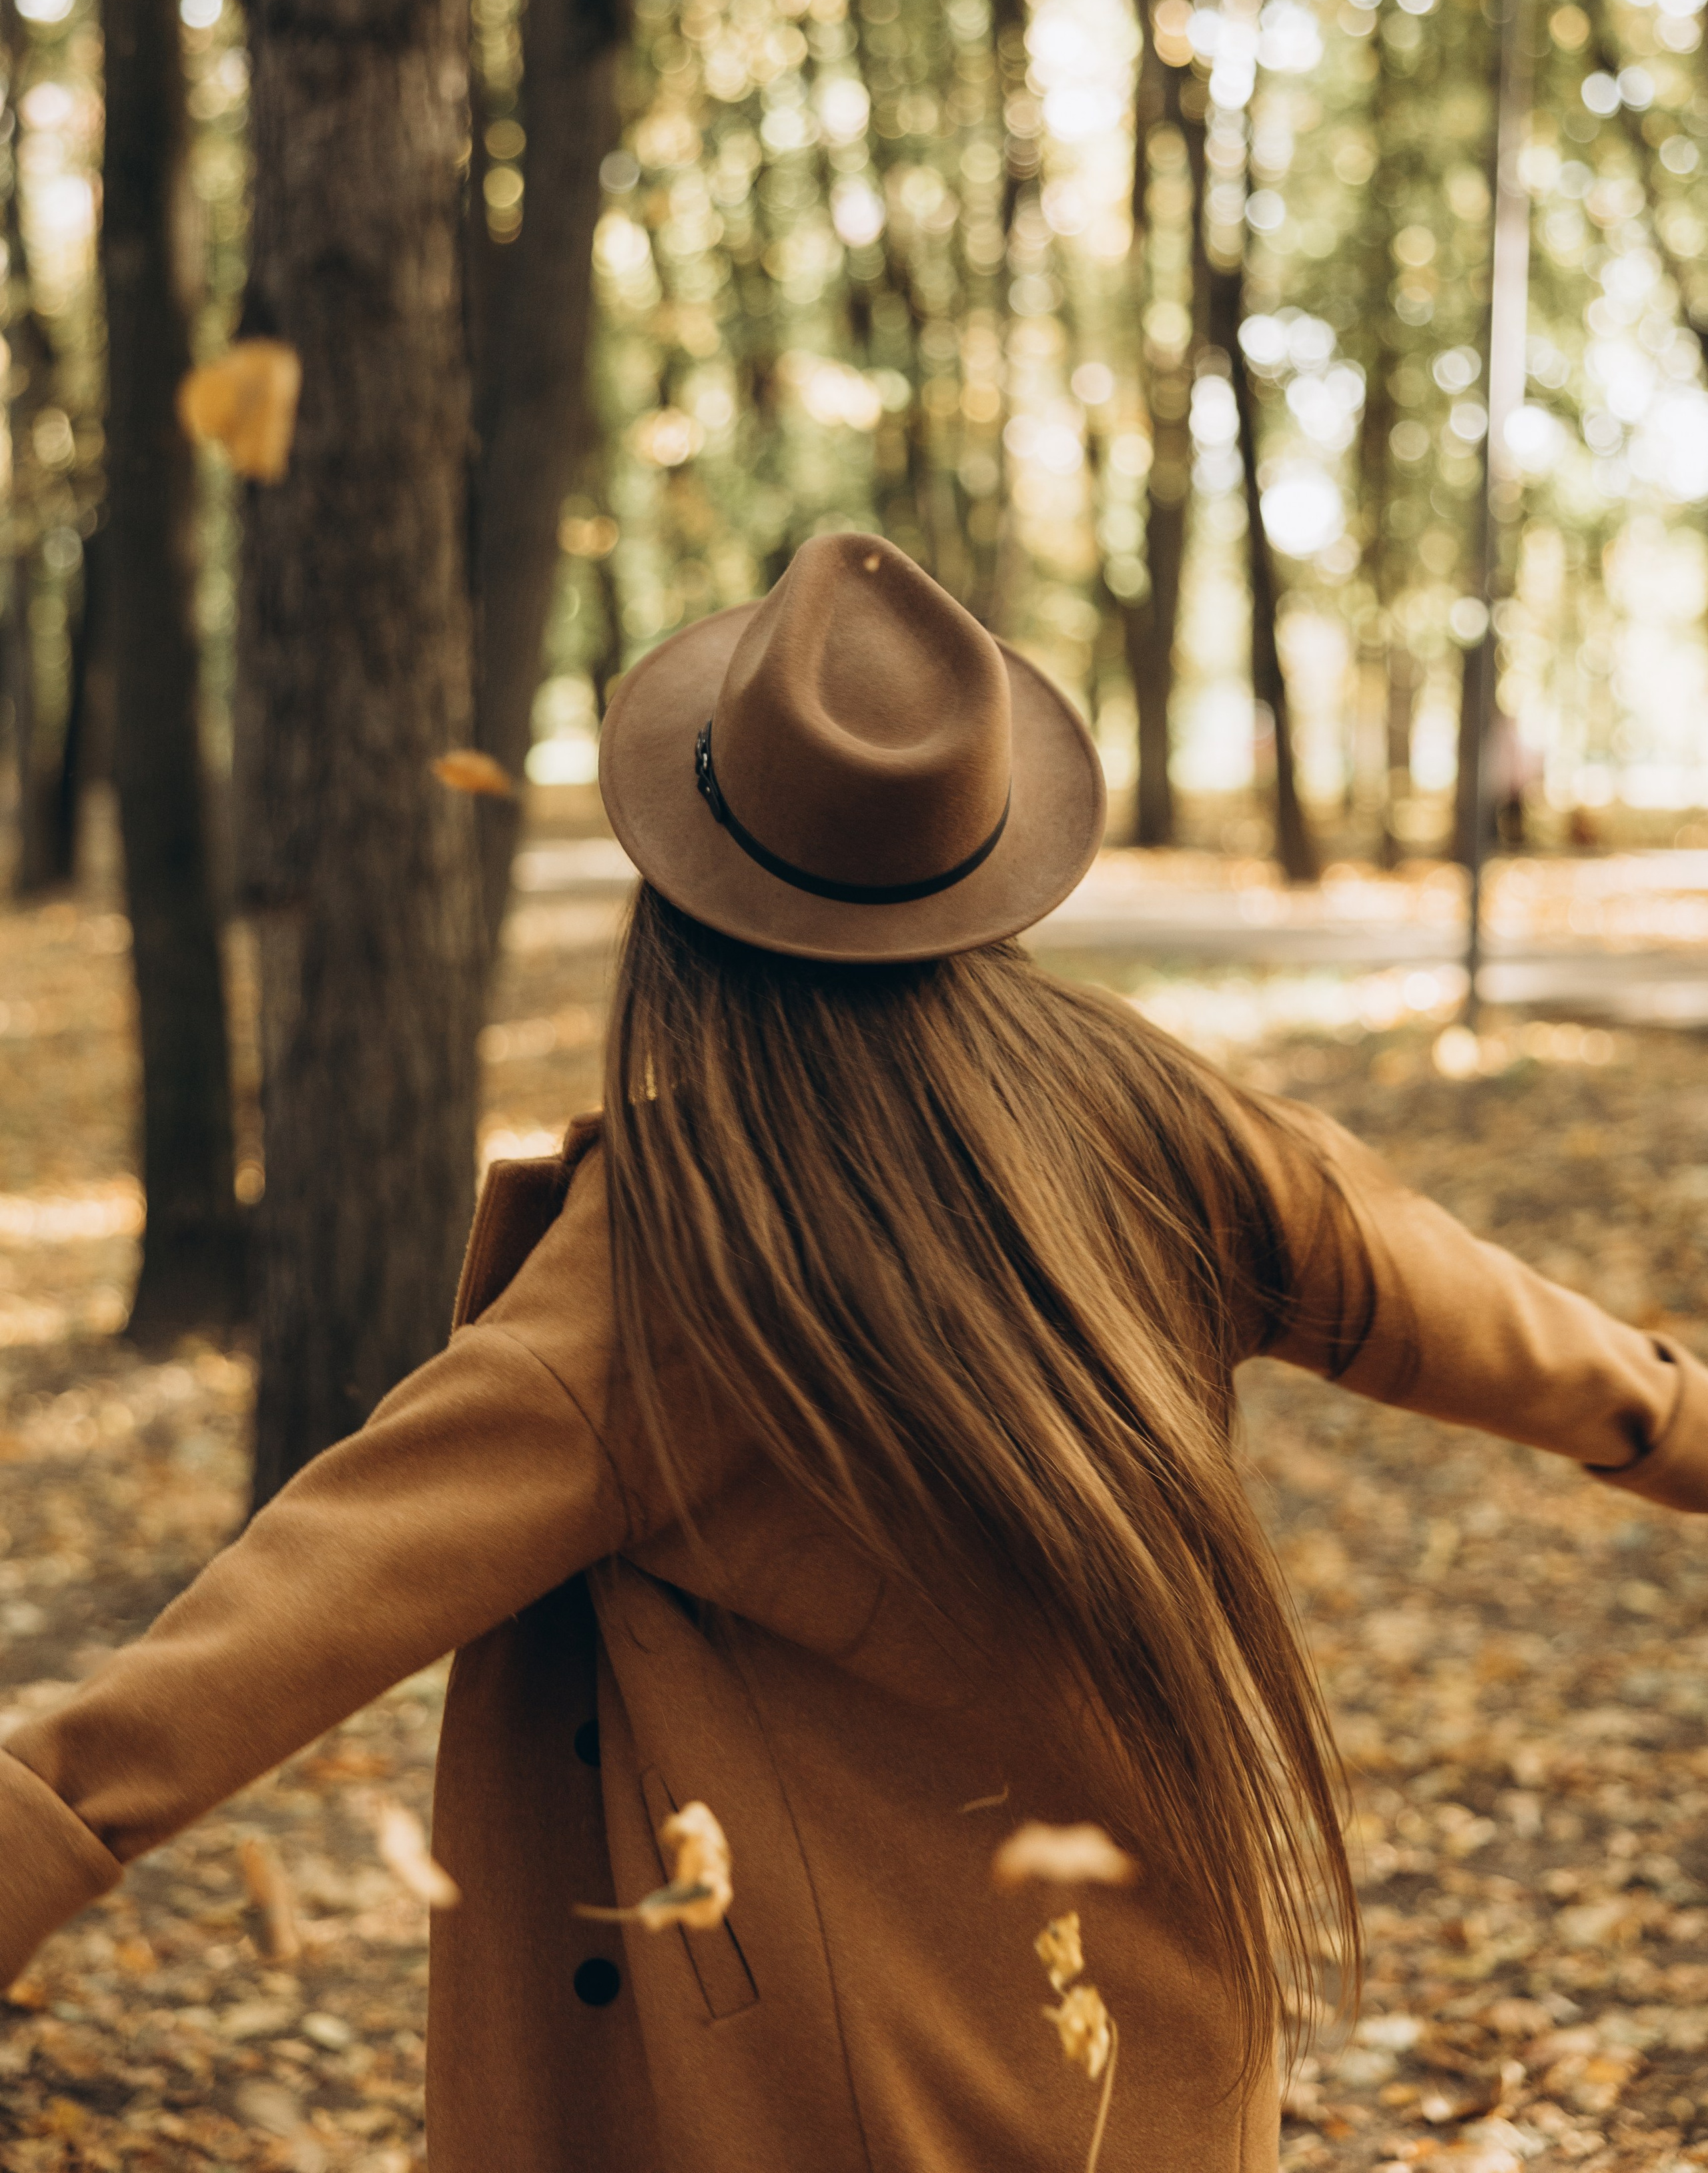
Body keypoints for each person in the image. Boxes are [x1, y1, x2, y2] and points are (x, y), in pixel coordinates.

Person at [2, 532, 1704, 2173]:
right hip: (1153, 2044)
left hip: (823, 2090)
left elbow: (298, 1605)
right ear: (982, 862)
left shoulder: (668, 1266)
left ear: (684, 893)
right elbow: (1539, 1350)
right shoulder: (1161, 1124)